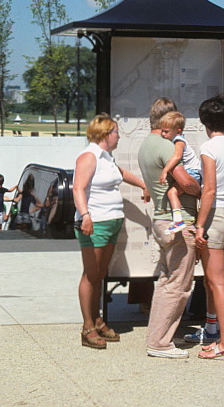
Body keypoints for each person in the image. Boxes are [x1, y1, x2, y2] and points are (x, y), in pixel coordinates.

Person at [73, 113, 150, 350]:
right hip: (95, 222)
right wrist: (85, 215)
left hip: (112, 221)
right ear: (106, 134)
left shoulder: (107, 157)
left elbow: (121, 173)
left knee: (101, 273)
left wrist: (142, 184)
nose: (119, 136)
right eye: (116, 131)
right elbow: (78, 188)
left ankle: (97, 320)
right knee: (91, 274)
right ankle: (87, 327)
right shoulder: (89, 156)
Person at [138, 97, 200, 359]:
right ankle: (160, 343)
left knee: (166, 281)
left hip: (161, 220)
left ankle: (157, 336)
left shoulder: (145, 146)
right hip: (179, 222)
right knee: (178, 284)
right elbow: (186, 182)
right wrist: (201, 190)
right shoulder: (167, 146)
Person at [191, 96, 224, 361]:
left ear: (204, 122)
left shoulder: (208, 148)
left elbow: (209, 190)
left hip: (217, 216)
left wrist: (200, 225)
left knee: (216, 282)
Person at [159, 111, 202, 235]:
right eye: (162, 131)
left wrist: (165, 170)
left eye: (166, 131)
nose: (162, 134)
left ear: (177, 131)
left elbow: (177, 157)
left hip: (191, 172)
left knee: (172, 192)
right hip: (192, 172)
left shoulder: (179, 141)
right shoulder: (175, 140)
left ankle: (178, 221)